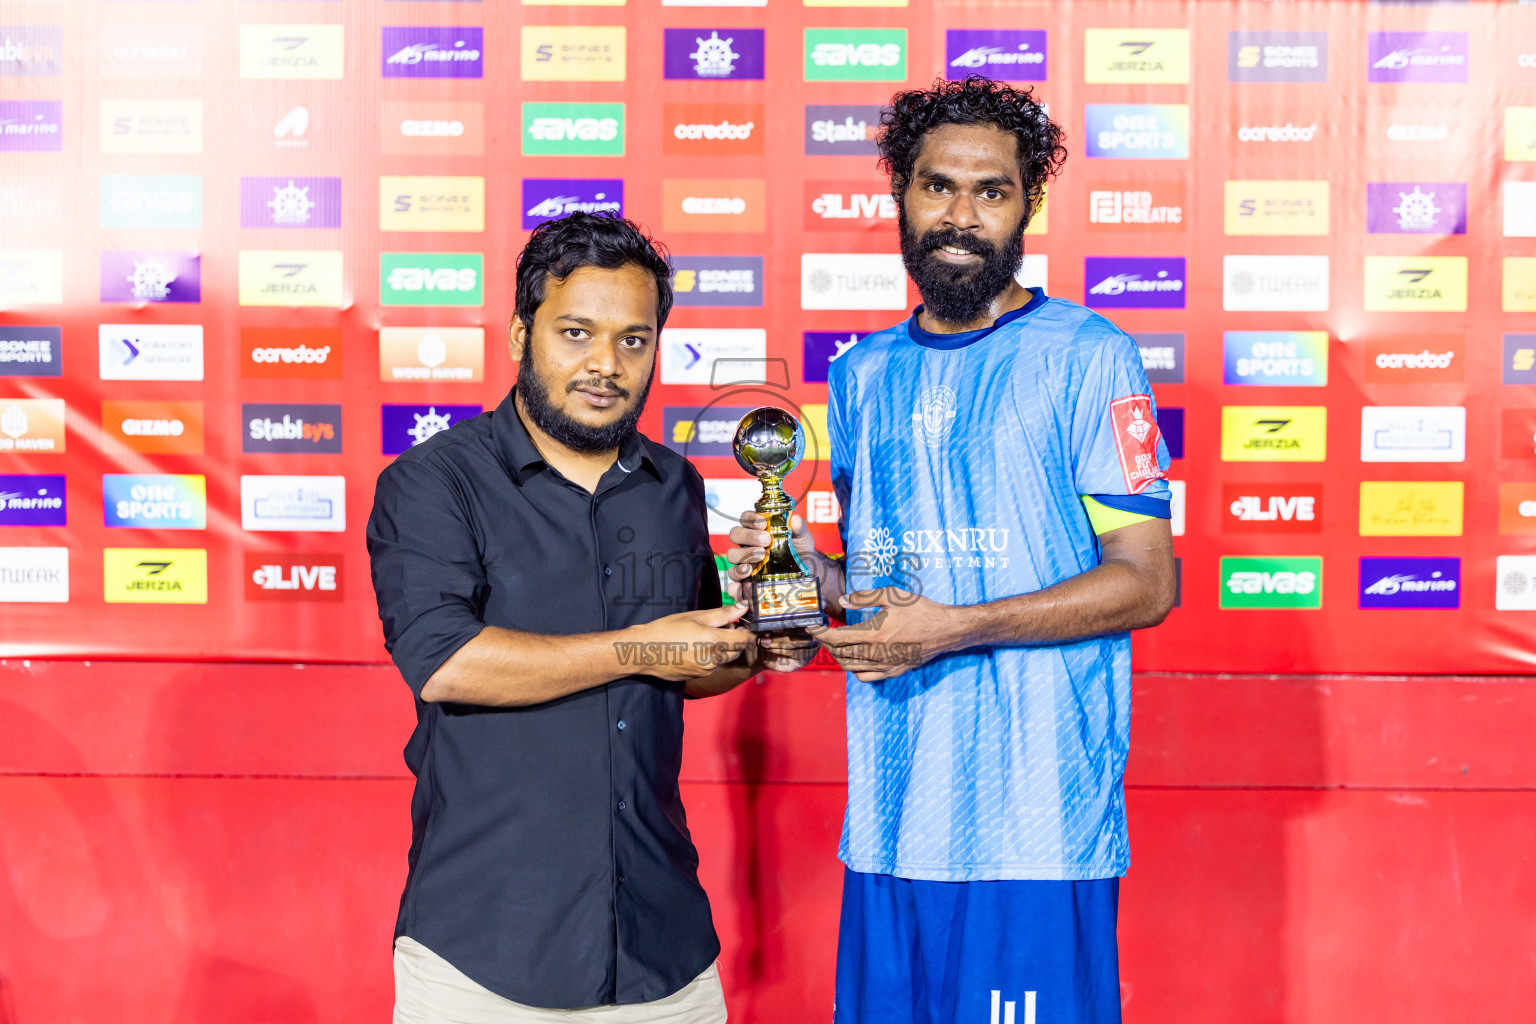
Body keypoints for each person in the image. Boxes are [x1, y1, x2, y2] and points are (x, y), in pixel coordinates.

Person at [726, 77, 1178, 1024]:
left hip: (1036, 824)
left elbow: (1147, 582)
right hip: (893, 816)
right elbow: (888, 583)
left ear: (1027, 207)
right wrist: (804, 577)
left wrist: (955, 630)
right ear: (899, 194)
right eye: (937, 188)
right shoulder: (860, 376)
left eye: (992, 191)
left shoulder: (1092, 354)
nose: (961, 217)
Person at [368, 212, 789, 1023]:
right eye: (577, 333)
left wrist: (763, 625)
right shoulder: (433, 484)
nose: (606, 364)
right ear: (522, 334)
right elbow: (450, 663)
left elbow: (697, 667)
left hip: (663, 953)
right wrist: (640, 647)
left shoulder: (673, 484)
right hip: (485, 955)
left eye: (634, 340)